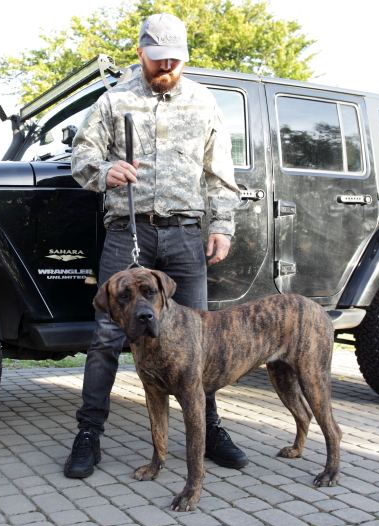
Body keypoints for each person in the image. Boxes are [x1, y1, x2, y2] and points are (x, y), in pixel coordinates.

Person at [65, 13, 248, 478]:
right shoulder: (114, 101)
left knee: (200, 340)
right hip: (129, 232)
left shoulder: (204, 102)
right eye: (158, 59)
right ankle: (88, 434)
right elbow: (82, 155)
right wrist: (103, 171)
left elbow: (219, 172)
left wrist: (222, 224)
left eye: (176, 60)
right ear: (140, 53)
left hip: (186, 234)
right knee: (107, 338)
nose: (167, 67)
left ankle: (210, 428)